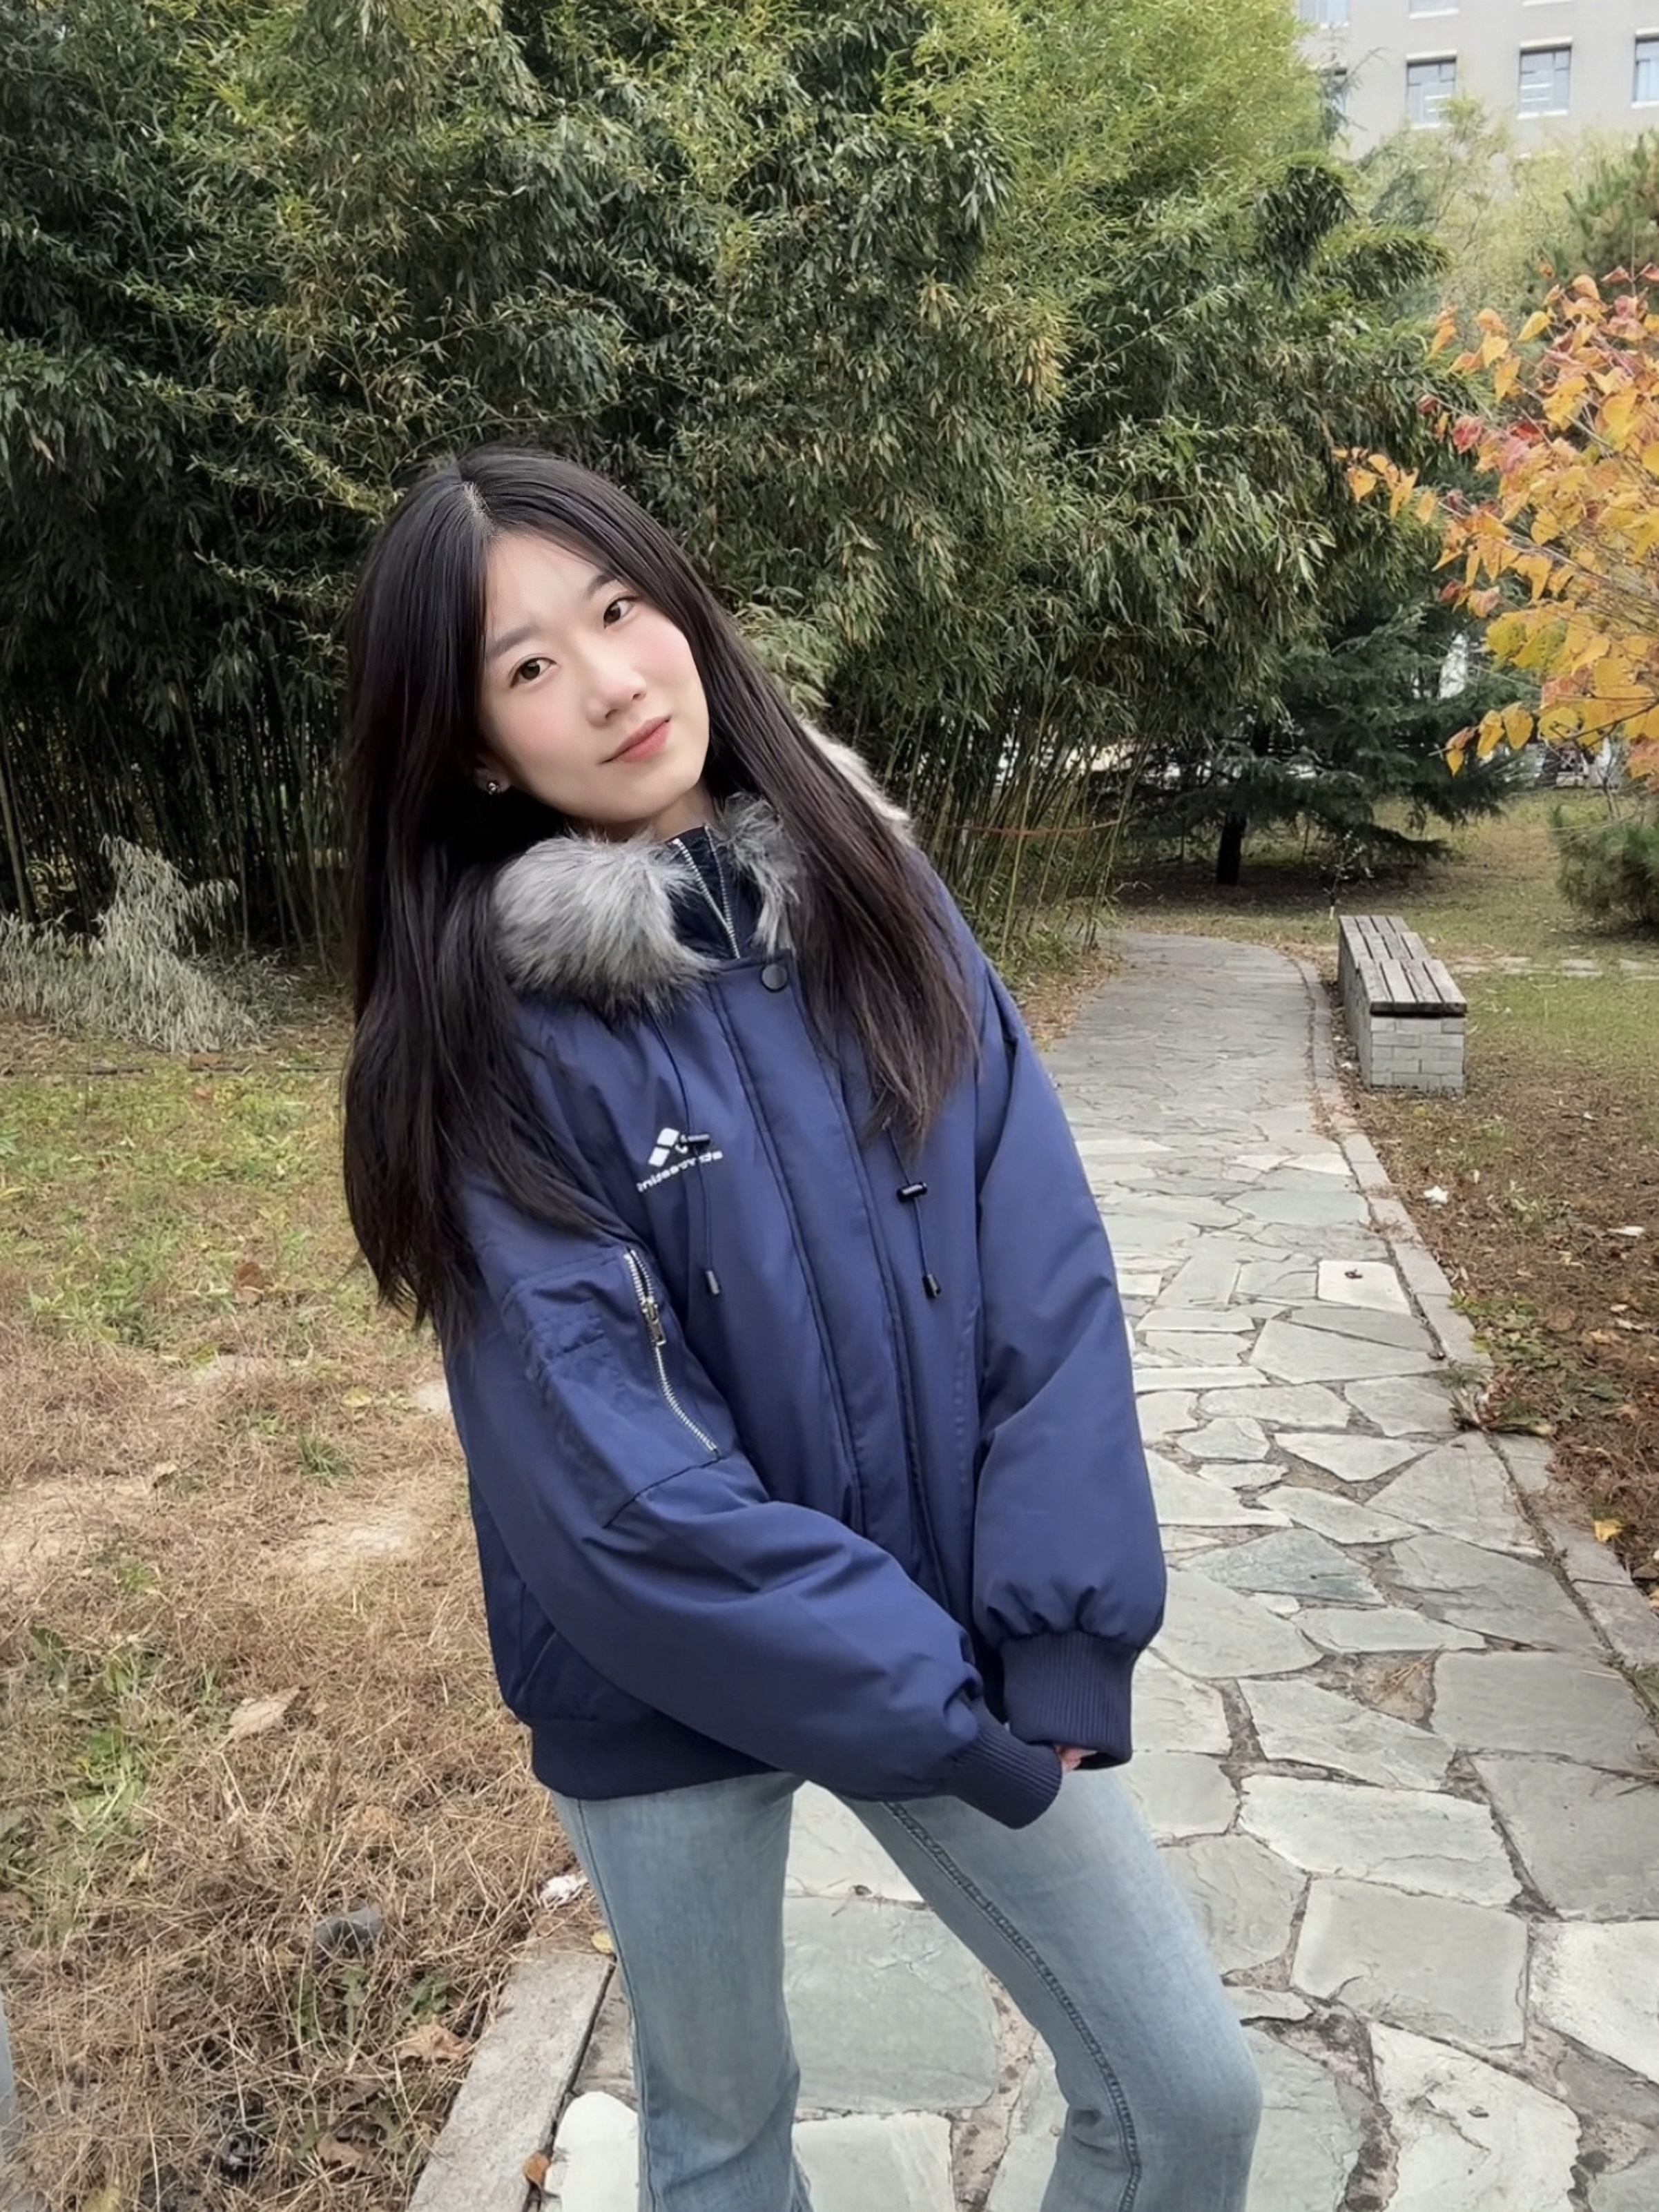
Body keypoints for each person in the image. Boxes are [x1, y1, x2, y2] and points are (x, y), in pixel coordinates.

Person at [340, 447, 1261, 2212]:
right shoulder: (486, 1042)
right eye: (526, 664)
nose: (609, 681)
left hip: (947, 1634)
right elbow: (608, 1470)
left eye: (621, 609)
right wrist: (924, 1704)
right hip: (656, 1674)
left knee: (1183, 2100)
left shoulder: (878, 900)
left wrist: (1050, 1640)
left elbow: (1041, 1278)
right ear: (474, 747)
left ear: (681, 607)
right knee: (721, 2128)